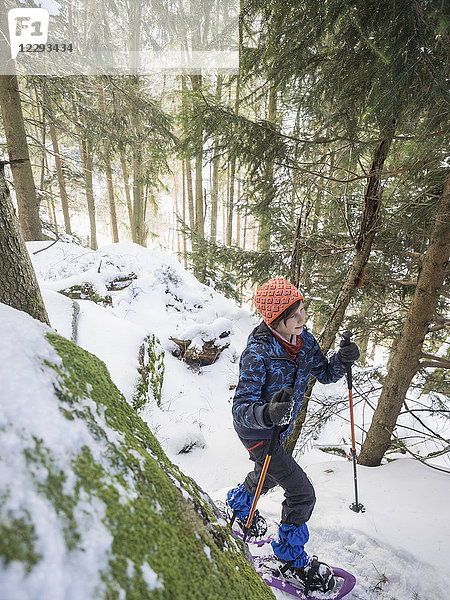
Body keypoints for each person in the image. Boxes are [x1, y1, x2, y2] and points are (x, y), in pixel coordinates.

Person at [226, 277, 359, 592]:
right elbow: (241, 408)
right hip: (256, 430)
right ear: (275, 319)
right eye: (293, 314)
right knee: (301, 493)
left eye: (302, 309)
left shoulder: (303, 340)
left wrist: (343, 359)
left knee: (269, 474)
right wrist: (267, 414)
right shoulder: (258, 352)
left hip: (279, 427)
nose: (302, 318)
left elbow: (324, 374)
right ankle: (288, 560)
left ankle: (240, 506)